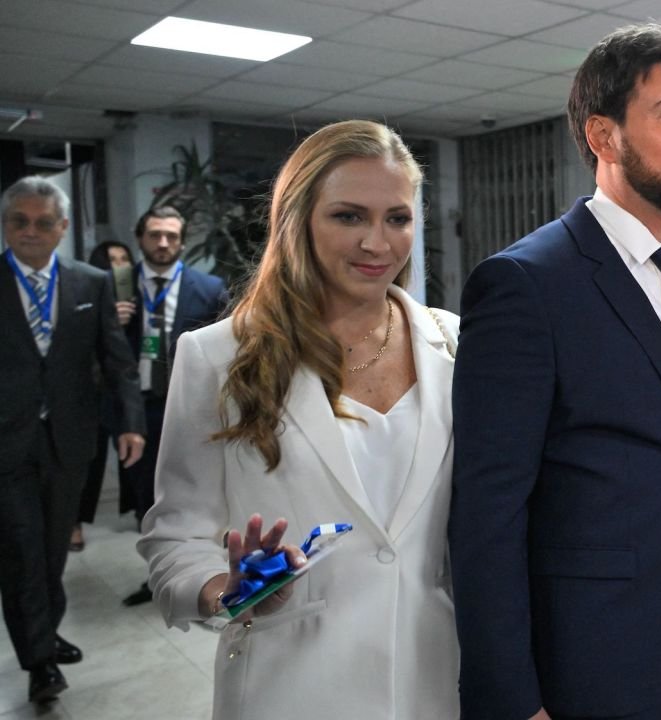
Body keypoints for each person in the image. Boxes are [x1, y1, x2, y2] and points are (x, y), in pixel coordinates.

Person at [450, 23, 661, 720]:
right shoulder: (525, 284)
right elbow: (488, 512)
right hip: (601, 655)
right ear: (604, 138)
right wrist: (511, 698)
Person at [136, 120, 459, 719]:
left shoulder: (454, 343)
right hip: (293, 684)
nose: (377, 243)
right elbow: (175, 536)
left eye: (397, 217)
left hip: (435, 678)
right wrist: (226, 590)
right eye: (348, 216)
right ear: (297, 219)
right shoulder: (216, 356)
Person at [0, 177, 145, 703]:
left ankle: (44, 631)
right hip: (7, 445)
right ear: (6, 225)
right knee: (20, 551)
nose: (31, 232)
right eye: (20, 221)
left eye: (43, 222)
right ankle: (39, 663)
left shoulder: (90, 283)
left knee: (52, 550)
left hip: (69, 439)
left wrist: (130, 422)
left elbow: (117, 360)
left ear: (62, 228)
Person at [119, 206, 228, 606]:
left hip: (189, 408)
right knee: (145, 496)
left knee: (193, 492)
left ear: (182, 241)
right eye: (154, 235)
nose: (162, 243)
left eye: (171, 236)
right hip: (138, 408)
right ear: (140, 238)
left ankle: (203, 570)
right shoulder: (117, 286)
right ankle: (160, 575)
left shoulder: (208, 286)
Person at [73, 239, 137, 552]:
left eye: (124, 258)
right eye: (112, 259)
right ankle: (74, 522)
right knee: (90, 459)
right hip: (89, 388)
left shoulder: (134, 291)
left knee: (132, 454)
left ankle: (139, 508)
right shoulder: (86, 289)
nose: (119, 265)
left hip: (123, 385)